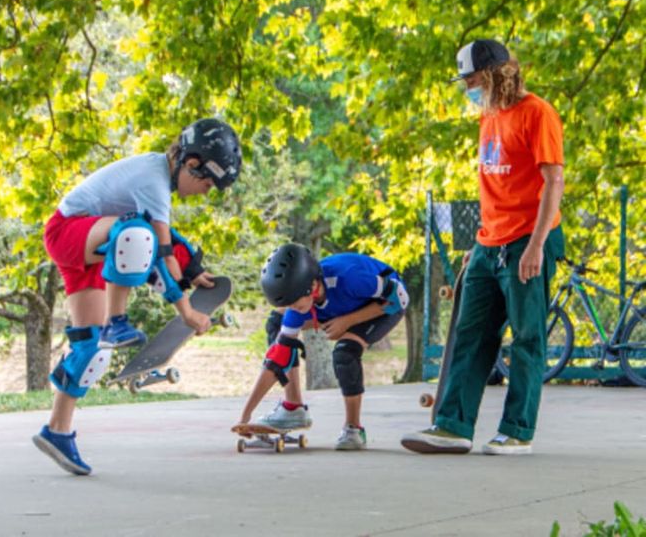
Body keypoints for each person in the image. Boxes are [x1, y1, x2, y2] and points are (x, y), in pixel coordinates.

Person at [33, 118, 242, 475]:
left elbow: (170, 239)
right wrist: (187, 311)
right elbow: (160, 251)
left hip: (91, 247)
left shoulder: (158, 178)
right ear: (190, 164)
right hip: (69, 232)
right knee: (136, 235)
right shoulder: (154, 178)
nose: (206, 191)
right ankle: (118, 321)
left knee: (90, 349)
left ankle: (57, 430)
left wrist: (191, 268)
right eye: (206, 182)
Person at [401, 38, 565, 456]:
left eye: (473, 80)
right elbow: (495, 187)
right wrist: (480, 242)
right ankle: (452, 425)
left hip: (528, 239)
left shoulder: (537, 113)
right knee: (471, 332)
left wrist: (537, 245)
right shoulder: (489, 118)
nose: (468, 89)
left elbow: (553, 181)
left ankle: (517, 430)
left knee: (527, 338)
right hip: (489, 242)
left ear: (496, 74)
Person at [236, 244, 408, 450]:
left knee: (345, 353)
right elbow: (276, 360)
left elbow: (400, 298)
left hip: (382, 306)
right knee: (278, 325)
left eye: (295, 304)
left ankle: (354, 429)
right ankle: (293, 407)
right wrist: (246, 415)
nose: (292, 310)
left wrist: (348, 321)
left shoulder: (350, 279)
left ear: (312, 287)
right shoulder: (300, 302)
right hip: (339, 306)